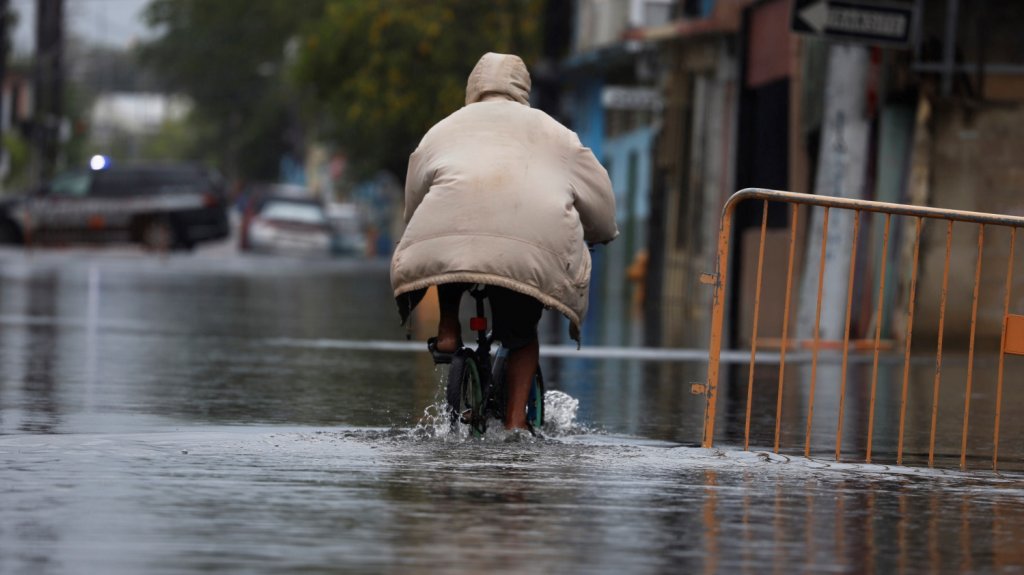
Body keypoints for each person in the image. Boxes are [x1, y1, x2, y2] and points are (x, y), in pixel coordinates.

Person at [390, 52, 618, 430]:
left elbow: (415, 201)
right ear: (522, 88)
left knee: (450, 249)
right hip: (527, 249)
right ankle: (515, 421)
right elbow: (602, 204)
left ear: (473, 87)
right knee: (521, 335)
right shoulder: (556, 134)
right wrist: (600, 233)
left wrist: (417, 228)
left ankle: (448, 329)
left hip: (450, 237)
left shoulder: (444, 129)